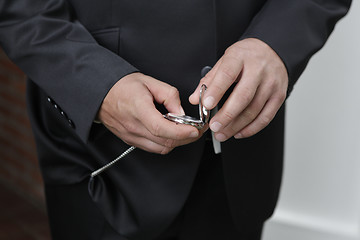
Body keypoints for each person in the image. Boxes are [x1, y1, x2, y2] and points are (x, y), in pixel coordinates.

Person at [0, 0, 351, 239]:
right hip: (104, 164)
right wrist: (99, 86)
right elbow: (20, 10)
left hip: (240, 165)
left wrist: (276, 42)